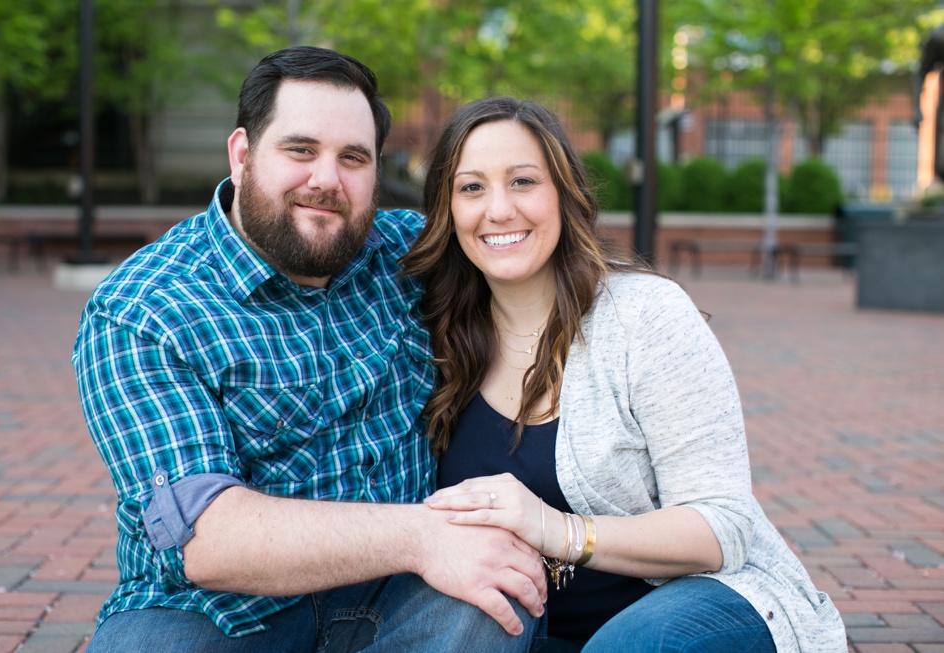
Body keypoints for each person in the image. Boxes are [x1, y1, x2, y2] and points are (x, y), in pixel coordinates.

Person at [72, 48, 546, 652]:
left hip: (401, 593)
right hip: (212, 612)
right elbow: (210, 539)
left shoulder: (407, 256)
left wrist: (640, 301)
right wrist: (425, 536)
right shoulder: (146, 309)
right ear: (243, 156)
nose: (326, 179)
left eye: (353, 158)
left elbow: (527, 244)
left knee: (495, 602)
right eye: (301, 150)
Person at [401, 96, 847, 652]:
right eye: (472, 188)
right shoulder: (432, 335)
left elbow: (722, 527)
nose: (498, 209)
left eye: (522, 181)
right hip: (527, 629)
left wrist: (556, 529)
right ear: (446, 210)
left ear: (564, 195)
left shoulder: (645, 316)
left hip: (693, 606)